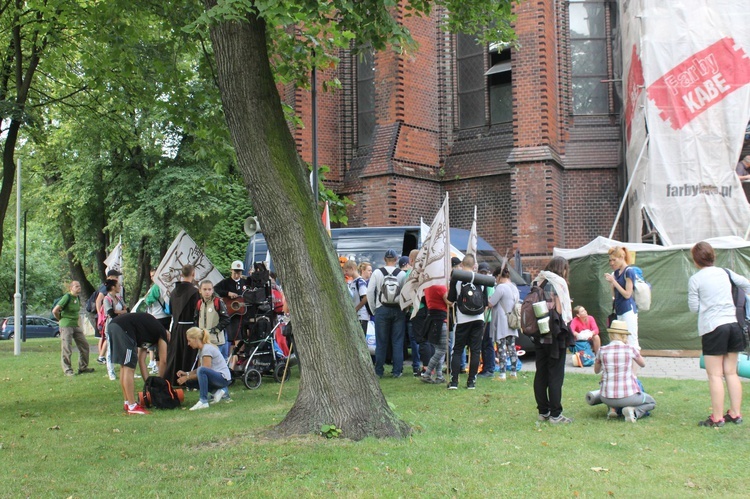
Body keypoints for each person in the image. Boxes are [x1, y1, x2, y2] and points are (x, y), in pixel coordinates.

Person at [688, 241, 749, 427]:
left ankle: (717, 418)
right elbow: (747, 285)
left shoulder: (696, 279)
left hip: (713, 327)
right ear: (712, 256)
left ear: (695, 260)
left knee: (715, 375)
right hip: (733, 324)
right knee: (731, 372)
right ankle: (735, 414)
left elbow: (693, 308)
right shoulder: (726, 272)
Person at [533, 256, 574, 424]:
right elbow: (559, 309)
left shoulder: (538, 281)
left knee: (541, 372)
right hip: (555, 333)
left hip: (538, 331)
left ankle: (543, 411)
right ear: (562, 269)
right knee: (555, 374)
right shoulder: (558, 283)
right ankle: (556, 415)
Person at [107, 312, 169, 415]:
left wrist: (149, 385)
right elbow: (163, 361)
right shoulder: (163, 333)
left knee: (124, 366)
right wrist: (159, 384)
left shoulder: (149, 331)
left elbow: (142, 360)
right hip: (124, 328)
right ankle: (132, 406)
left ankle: (127, 402)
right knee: (129, 368)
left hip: (115, 325)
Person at [594, 320, 655, 422]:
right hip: (627, 396)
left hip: (606, 397)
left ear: (611, 334)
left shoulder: (602, 350)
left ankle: (612, 408)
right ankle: (634, 412)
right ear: (624, 336)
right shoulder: (630, 349)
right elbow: (643, 364)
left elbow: (596, 371)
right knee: (651, 402)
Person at [446, 255, 487, 390]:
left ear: (462, 265)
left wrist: (446, 298)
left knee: (457, 349)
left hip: (462, 319)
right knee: (475, 350)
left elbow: (451, 299)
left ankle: (454, 382)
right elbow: (485, 302)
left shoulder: (457, 279)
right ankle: (471, 382)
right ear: (474, 265)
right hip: (478, 319)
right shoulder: (481, 280)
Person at [366, 249, 407, 378]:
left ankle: (379, 370)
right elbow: (406, 293)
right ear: (396, 260)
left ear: (384, 259)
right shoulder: (401, 274)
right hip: (397, 310)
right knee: (397, 341)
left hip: (381, 309)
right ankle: (397, 371)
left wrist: (374, 309)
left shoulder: (377, 273)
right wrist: (404, 309)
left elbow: (369, 292)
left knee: (381, 341)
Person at [176, 327, 232, 410]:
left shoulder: (206, 349)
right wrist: (187, 374)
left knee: (201, 371)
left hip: (223, 378)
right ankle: (217, 392)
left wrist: (186, 377)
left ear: (195, 339)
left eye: (189, 340)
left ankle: (203, 401)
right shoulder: (202, 349)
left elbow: (203, 370)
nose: (188, 344)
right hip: (218, 377)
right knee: (190, 382)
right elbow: (200, 370)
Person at [163, 264, 201, 384]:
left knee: (176, 353)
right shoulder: (195, 292)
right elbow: (197, 311)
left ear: (181, 274)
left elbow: (172, 310)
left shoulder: (173, 292)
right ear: (193, 274)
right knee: (189, 353)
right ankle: (188, 380)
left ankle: (174, 378)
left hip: (177, 327)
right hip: (190, 326)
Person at [52, 281, 93, 377]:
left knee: (84, 345)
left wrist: (79, 324)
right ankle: (68, 370)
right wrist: (60, 319)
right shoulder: (67, 297)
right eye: (76, 286)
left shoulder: (77, 298)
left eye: (80, 286)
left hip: (75, 325)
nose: (79, 288)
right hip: (66, 325)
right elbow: (55, 310)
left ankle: (83, 367)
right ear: (71, 288)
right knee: (67, 347)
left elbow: (76, 313)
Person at [487, 264, 520, 380]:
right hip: (512, 320)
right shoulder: (514, 287)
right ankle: (513, 373)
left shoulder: (500, 288)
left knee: (501, 348)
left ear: (498, 276)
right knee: (512, 348)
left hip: (502, 320)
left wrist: (488, 299)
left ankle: (502, 374)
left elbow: (491, 303)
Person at [605, 246, 640, 351]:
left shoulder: (629, 271)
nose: (611, 263)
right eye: (610, 260)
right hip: (619, 309)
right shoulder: (616, 273)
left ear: (622, 257)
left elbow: (627, 294)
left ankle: (634, 367)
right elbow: (615, 295)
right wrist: (612, 284)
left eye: (614, 260)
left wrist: (614, 282)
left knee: (632, 341)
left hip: (628, 310)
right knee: (621, 341)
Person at [214, 260, 249, 347]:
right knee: (235, 335)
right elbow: (215, 289)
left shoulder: (244, 282)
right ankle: (235, 353)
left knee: (244, 333)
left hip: (242, 313)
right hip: (232, 314)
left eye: (239, 272)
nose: (237, 275)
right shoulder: (226, 282)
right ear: (231, 271)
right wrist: (228, 293)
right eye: (235, 272)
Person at [420, 283, 449, 384]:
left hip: (432, 320)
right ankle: (427, 374)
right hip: (441, 320)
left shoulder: (427, 287)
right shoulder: (440, 287)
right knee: (442, 349)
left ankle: (439, 375)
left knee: (438, 349)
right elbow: (449, 302)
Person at [195, 280, 231, 359]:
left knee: (217, 365)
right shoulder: (199, 303)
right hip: (203, 341)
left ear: (212, 290)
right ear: (200, 291)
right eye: (204, 289)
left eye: (209, 289)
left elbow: (226, 319)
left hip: (216, 341)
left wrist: (216, 330)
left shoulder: (218, 302)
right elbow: (196, 320)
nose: (207, 292)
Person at [94, 269, 123, 365]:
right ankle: (101, 356)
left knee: (106, 338)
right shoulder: (105, 288)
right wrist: (100, 315)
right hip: (107, 318)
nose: (117, 279)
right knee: (106, 338)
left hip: (112, 317)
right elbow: (99, 300)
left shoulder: (115, 295)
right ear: (110, 277)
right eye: (116, 277)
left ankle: (101, 356)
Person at [102, 279, 128, 380]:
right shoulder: (107, 299)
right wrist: (122, 312)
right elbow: (110, 313)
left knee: (124, 347)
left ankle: (126, 369)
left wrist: (119, 311)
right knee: (110, 349)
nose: (120, 287)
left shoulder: (119, 298)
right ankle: (111, 372)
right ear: (113, 287)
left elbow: (127, 309)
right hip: (111, 327)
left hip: (121, 326)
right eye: (118, 285)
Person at [477, 262, 496, 377]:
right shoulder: (482, 283)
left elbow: (490, 302)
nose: (483, 274)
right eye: (482, 272)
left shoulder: (489, 284)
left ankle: (489, 369)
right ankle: (486, 367)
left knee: (488, 344)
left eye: (485, 272)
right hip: (484, 318)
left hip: (488, 318)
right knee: (484, 344)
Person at [343, 260, 369, 335]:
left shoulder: (360, 282)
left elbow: (365, 297)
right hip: (357, 316)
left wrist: (356, 309)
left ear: (352, 269)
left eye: (346, 271)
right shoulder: (352, 282)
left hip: (361, 316)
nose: (345, 273)